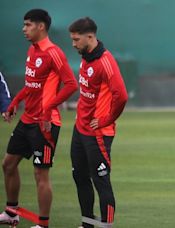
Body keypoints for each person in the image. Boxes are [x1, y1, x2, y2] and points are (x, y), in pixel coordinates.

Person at [0, 9, 78, 228]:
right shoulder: (32, 50)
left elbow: (71, 84)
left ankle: (43, 224)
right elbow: (31, 84)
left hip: (46, 123)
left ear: (41, 26)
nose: (24, 29)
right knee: (8, 164)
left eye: (28, 25)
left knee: (40, 173)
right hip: (28, 119)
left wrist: (49, 106)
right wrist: (15, 102)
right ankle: (11, 212)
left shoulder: (53, 52)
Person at [68, 17, 128, 228]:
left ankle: (106, 226)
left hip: (98, 134)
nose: (73, 44)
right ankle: (87, 224)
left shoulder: (105, 61)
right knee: (80, 178)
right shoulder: (86, 56)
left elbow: (121, 96)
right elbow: (89, 92)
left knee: (101, 181)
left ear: (90, 37)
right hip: (80, 131)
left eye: (76, 39)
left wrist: (106, 120)